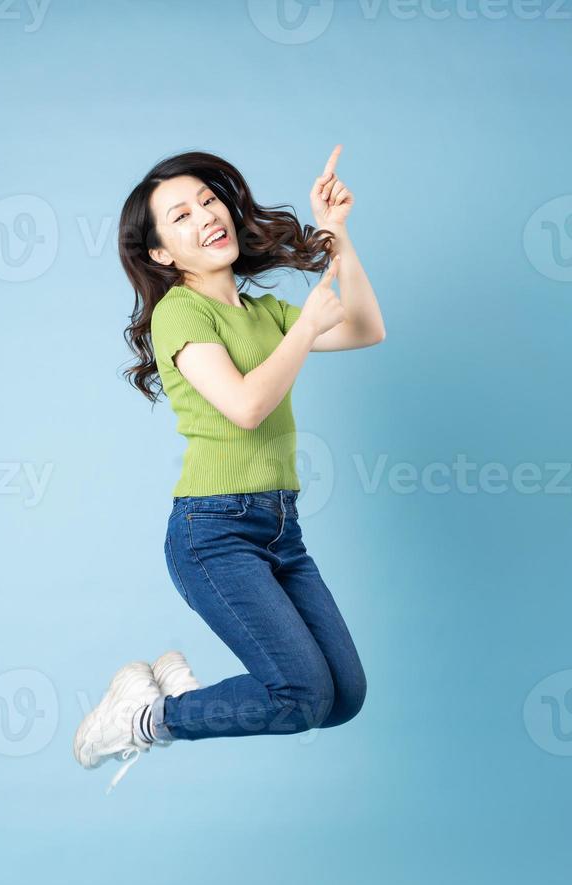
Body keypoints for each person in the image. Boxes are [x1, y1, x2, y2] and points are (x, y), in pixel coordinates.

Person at [73, 145, 386, 792]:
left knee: (343, 696)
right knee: (299, 695)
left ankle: (171, 698)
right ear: (162, 253)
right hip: (212, 533)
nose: (206, 217)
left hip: (279, 528)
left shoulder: (262, 311)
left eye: (209, 201)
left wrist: (338, 234)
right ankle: (147, 716)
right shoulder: (180, 312)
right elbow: (245, 406)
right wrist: (303, 335)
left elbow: (365, 328)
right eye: (180, 216)